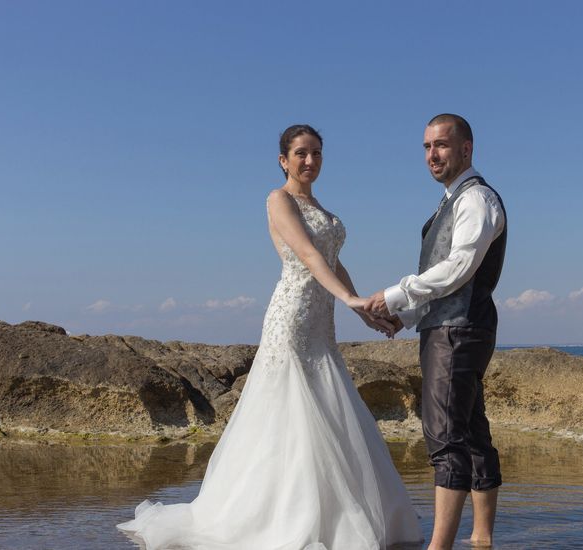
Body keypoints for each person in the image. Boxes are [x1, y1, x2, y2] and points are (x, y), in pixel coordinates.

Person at [117, 125, 423, 549]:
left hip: (321, 324)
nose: (310, 161)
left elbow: (333, 260)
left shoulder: (321, 207)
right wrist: (351, 299)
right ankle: (284, 517)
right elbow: (309, 254)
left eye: (316, 153)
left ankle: (336, 516)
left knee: (329, 411)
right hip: (292, 318)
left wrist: (366, 315)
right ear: (284, 160)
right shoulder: (277, 200)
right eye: (301, 153)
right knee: (290, 414)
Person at [365, 114, 507, 550]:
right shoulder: (449, 203)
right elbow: (443, 280)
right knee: (471, 432)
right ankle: (481, 539)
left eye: (442, 145)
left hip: (458, 331)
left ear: (466, 149)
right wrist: (405, 317)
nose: (432, 155)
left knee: (444, 437)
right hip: (454, 325)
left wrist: (396, 294)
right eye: (427, 147)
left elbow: (460, 268)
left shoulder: (477, 198)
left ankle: (439, 547)